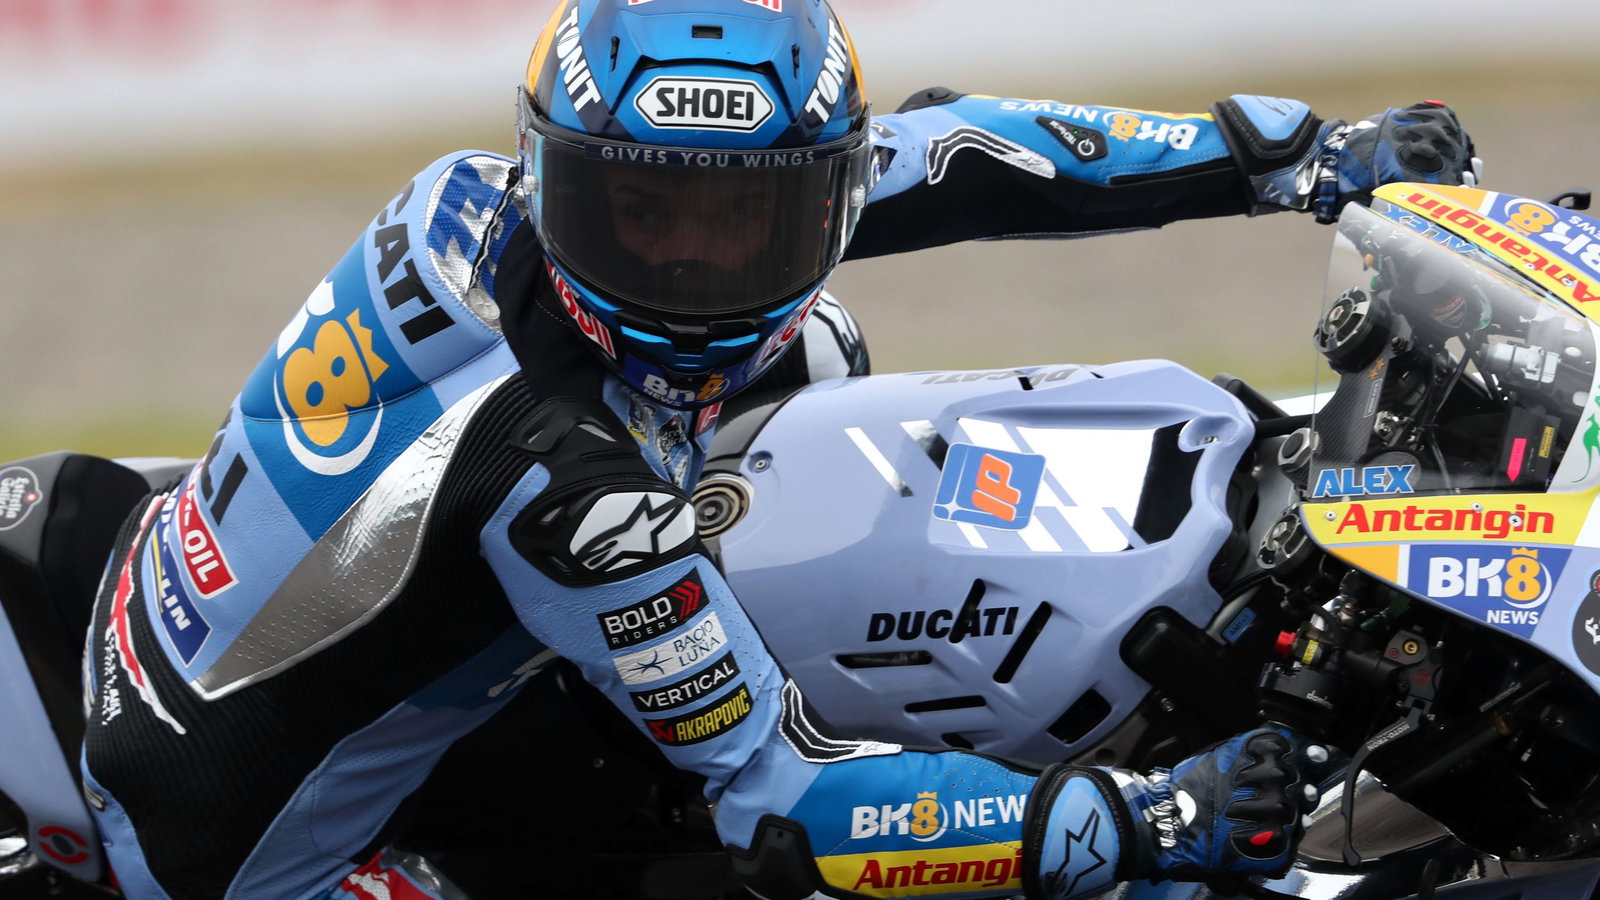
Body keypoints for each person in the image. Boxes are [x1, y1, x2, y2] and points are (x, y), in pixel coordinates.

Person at [77, 1, 1477, 898]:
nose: (692, 266)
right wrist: (1146, 820)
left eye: (744, 220)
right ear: (561, 176)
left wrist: (1292, 157)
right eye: (644, 215)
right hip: (242, 861)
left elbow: (962, 151)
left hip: (189, 614)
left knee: (818, 351)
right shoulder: (572, 489)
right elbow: (789, 810)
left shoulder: (465, 198)